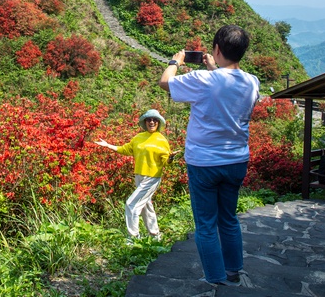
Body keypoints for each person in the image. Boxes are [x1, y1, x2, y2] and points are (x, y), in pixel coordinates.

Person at [159, 25, 260, 287]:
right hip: (237, 160)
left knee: (205, 224)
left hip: (204, 163)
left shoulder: (204, 80)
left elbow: (165, 84)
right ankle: (233, 270)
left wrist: (175, 61)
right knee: (228, 217)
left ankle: (215, 280)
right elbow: (225, 89)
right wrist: (213, 67)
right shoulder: (252, 82)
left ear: (216, 49)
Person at [94, 109, 172, 242]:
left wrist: (170, 159)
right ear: (145, 122)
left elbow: (165, 161)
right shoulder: (138, 138)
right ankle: (155, 236)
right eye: (149, 119)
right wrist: (108, 145)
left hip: (152, 177)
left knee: (131, 204)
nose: (151, 122)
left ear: (159, 123)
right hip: (139, 176)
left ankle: (133, 238)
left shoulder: (161, 140)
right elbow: (125, 149)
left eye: (154, 120)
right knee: (146, 205)